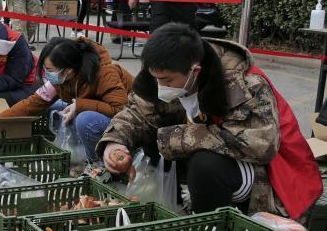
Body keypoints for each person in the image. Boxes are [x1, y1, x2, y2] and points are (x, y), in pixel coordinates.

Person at [99, 23, 321, 217]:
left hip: (266, 170)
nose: (160, 86)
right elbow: (137, 111)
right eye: (155, 78)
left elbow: (260, 145)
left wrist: (173, 139)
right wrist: (114, 142)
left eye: (166, 80)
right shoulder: (161, 72)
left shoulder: (244, 83)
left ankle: (210, 230)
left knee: (204, 164)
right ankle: (174, 207)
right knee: (155, 140)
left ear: (195, 71)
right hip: (214, 156)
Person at [0, 36, 134, 163]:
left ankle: (96, 164)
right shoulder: (60, 80)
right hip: (99, 110)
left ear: (68, 70)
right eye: (45, 69)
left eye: (50, 70)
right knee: (52, 107)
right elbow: (34, 103)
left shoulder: (105, 74)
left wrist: (80, 105)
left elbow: (120, 109)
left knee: (84, 119)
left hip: (128, 121)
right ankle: (76, 153)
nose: (47, 74)